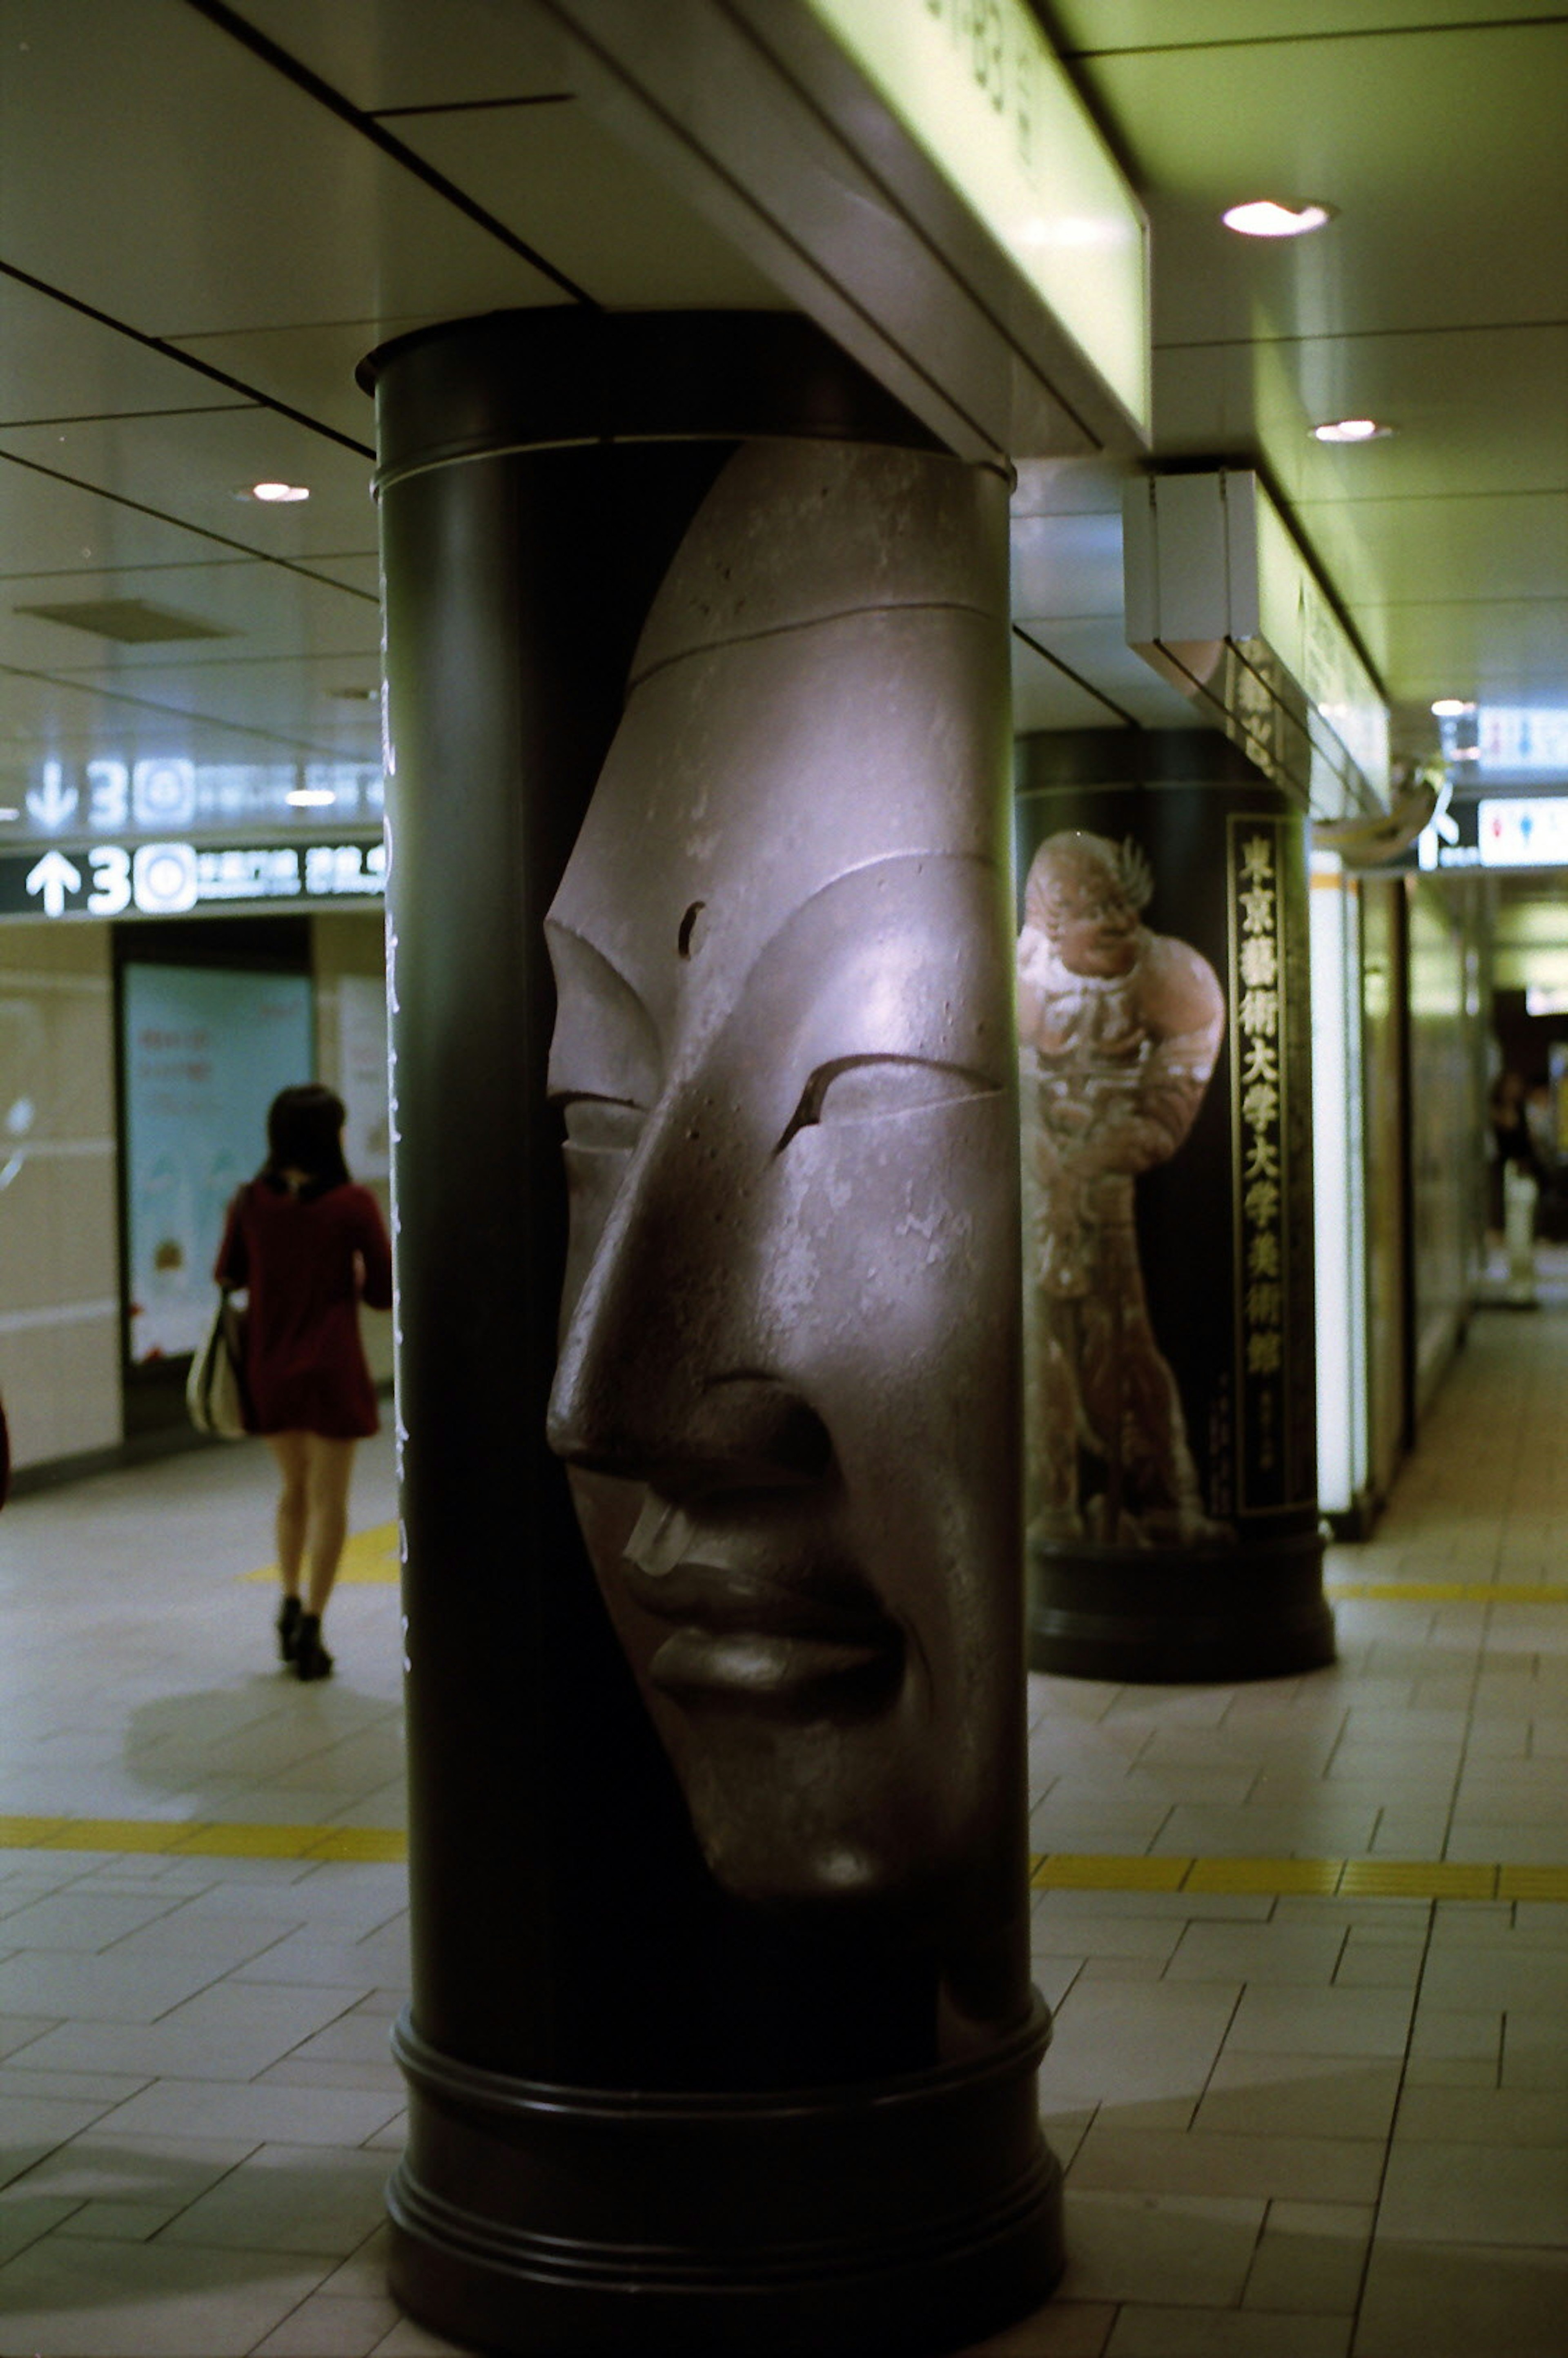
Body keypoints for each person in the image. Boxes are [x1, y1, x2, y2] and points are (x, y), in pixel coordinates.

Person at [1017, 828, 1227, 1547]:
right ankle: (1054, 1506)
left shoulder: (1174, 977)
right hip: (1036, 1191)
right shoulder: (1018, 979)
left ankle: (1165, 1498)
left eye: (1121, 903)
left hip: (1105, 1190)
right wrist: (1042, 1150)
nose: (1118, 921)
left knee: (1125, 1339)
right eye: (1092, 907)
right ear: (1049, 917)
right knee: (1039, 1350)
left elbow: (1171, 1101)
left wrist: (1101, 1155)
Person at [216, 1084, 392, 1680]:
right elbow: (382, 1293)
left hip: (270, 1367)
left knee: (293, 1491)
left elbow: (228, 1273)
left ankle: (288, 1598)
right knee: (330, 1502)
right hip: (330, 1369)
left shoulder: (249, 1202)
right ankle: (314, 1623)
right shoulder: (352, 1204)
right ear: (328, 1136)